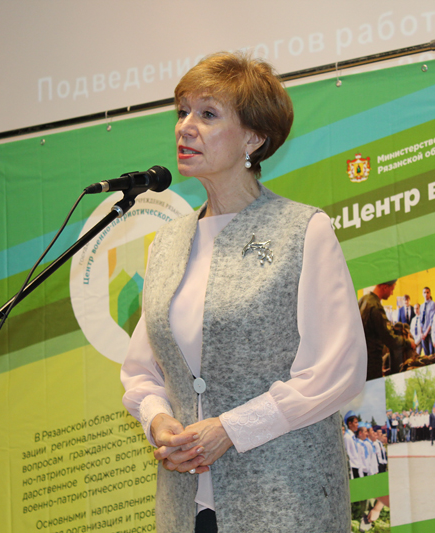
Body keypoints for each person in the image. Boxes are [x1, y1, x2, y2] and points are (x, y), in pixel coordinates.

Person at [120, 52, 367, 533]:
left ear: (254, 138)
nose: (186, 127)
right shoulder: (166, 245)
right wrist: (157, 419)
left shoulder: (303, 230)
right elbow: (143, 370)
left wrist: (231, 429)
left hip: (286, 500)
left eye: (207, 114)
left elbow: (337, 369)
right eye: (182, 112)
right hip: (185, 507)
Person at [359, 280, 415, 380]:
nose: (392, 293)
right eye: (392, 289)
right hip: (372, 361)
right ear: (385, 287)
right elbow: (389, 338)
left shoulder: (363, 300)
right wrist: (408, 342)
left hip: (361, 359)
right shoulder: (376, 307)